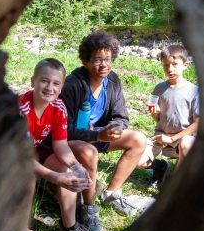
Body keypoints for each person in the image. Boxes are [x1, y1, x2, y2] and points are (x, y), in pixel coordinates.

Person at [60, 31, 151, 217]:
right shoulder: (72, 85)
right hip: (74, 139)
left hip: (100, 135)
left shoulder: (112, 81)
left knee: (139, 140)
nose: (104, 65)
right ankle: (89, 207)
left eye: (108, 59)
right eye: (97, 60)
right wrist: (95, 135)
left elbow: (121, 117)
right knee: (89, 152)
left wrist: (116, 127)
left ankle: (111, 194)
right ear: (85, 62)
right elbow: (64, 129)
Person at [19, 58, 104, 231]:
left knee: (69, 171)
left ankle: (69, 228)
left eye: (56, 83)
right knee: (28, 177)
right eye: (44, 81)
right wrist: (55, 178)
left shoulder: (58, 107)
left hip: (34, 147)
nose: (49, 87)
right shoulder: (21, 109)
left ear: (61, 87)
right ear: (33, 81)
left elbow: (61, 145)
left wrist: (76, 166)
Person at [147, 44, 200, 185]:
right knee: (140, 160)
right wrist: (155, 113)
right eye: (166, 65)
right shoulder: (159, 88)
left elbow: (198, 123)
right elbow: (158, 119)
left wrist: (172, 139)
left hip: (183, 138)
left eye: (175, 64)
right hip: (161, 135)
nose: (170, 69)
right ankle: (161, 167)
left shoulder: (194, 91)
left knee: (186, 144)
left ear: (185, 65)